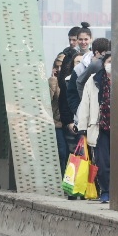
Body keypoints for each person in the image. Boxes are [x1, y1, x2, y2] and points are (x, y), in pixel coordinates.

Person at [76, 37, 117, 203]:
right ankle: (106, 191)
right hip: (100, 127)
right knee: (103, 161)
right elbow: (85, 104)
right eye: (109, 61)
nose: (111, 64)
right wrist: (82, 127)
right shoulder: (94, 80)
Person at [49, 25, 87, 170]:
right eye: (71, 40)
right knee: (64, 152)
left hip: (72, 121)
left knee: (76, 154)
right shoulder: (59, 80)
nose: (73, 43)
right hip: (61, 122)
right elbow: (54, 101)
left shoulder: (79, 76)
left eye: (75, 40)